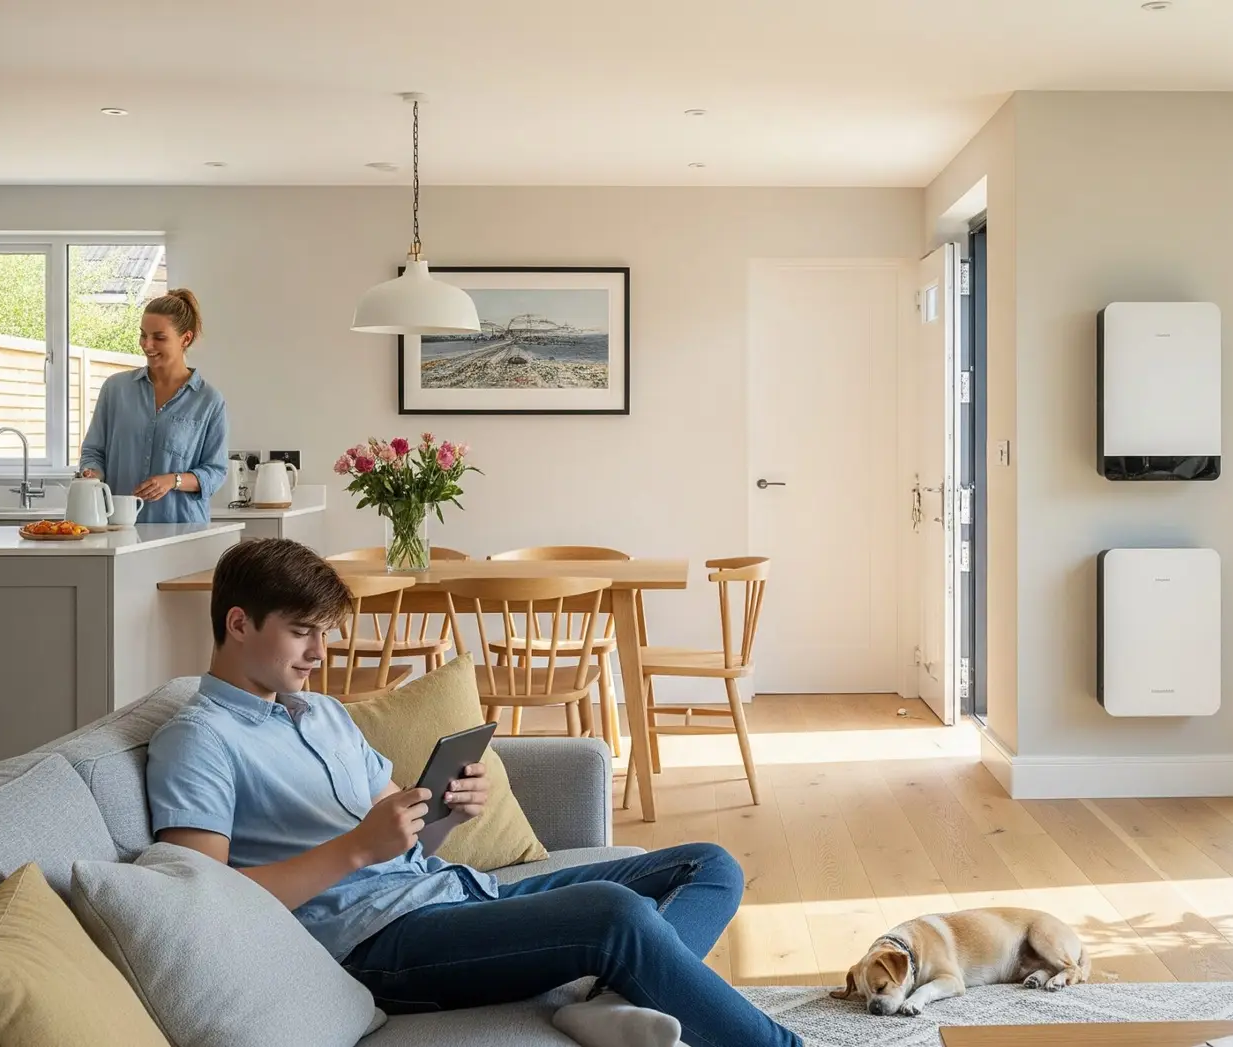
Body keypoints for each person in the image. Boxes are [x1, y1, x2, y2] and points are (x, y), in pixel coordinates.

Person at [145, 539, 802, 1047]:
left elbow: (397, 832)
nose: (321, 651)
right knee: (611, 915)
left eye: (326, 631)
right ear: (238, 622)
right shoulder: (198, 739)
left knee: (709, 865)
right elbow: (204, 906)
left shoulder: (320, 713)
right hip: (379, 945)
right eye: (302, 631)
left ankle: (612, 1006)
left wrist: (443, 809)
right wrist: (353, 851)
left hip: (452, 892)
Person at [78, 288, 227, 524]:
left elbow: (216, 472)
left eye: (159, 337)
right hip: (121, 526)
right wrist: (92, 473)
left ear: (185, 339)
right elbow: (94, 451)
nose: (147, 345)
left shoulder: (208, 400)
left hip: (182, 529)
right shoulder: (116, 389)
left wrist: (173, 480)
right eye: (143, 335)